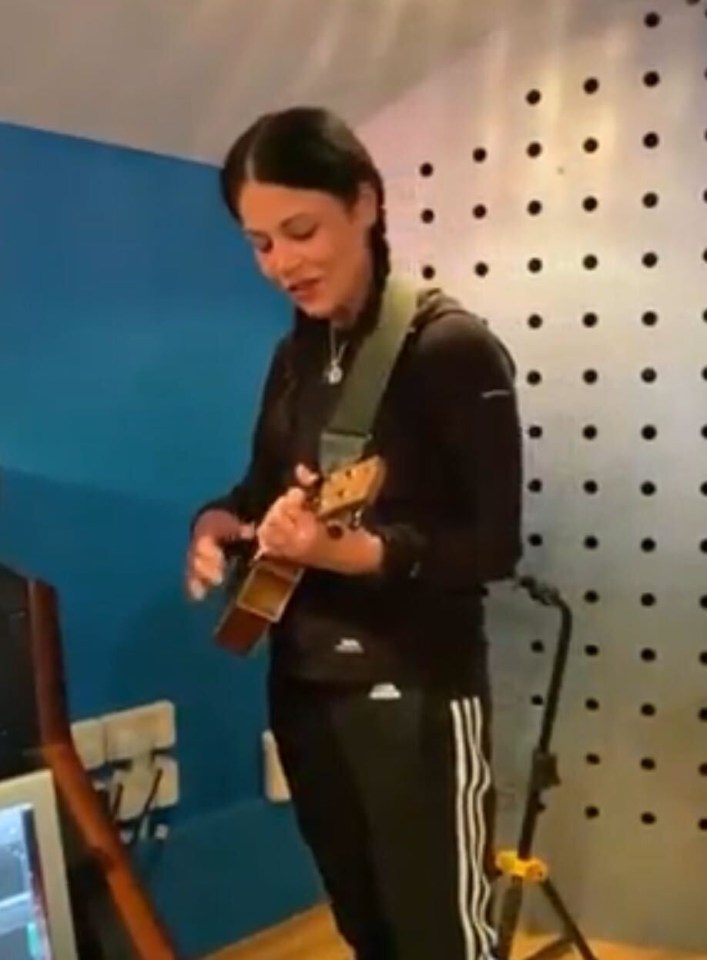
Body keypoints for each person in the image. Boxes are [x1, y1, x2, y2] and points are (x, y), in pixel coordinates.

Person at [185, 106, 523, 960]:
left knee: (440, 938)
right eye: (260, 243)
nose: (281, 264)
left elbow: (492, 545)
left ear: (365, 203)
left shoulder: (450, 349)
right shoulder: (293, 358)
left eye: (300, 231)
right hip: (302, 691)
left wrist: (359, 552)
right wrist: (218, 526)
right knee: (365, 929)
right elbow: (263, 494)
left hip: (412, 692)